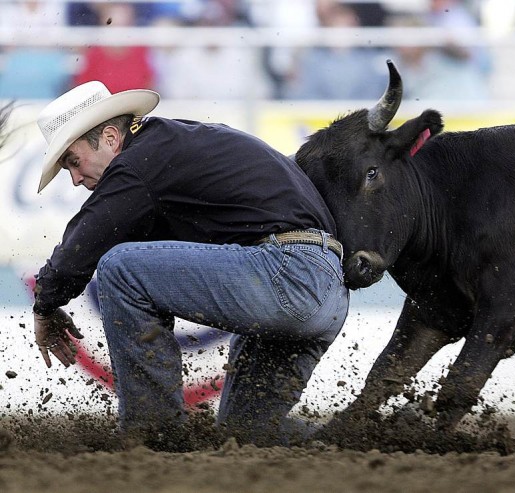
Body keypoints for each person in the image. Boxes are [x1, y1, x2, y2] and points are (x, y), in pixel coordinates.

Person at [31, 81, 349, 449]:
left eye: (73, 161)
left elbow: (80, 248)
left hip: (288, 275)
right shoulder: (173, 146)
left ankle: (153, 437)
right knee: (246, 438)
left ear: (110, 137)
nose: (74, 179)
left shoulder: (139, 161)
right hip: (325, 290)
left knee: (119, 268)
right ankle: (356, 441)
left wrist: (44, 304)